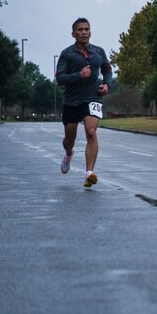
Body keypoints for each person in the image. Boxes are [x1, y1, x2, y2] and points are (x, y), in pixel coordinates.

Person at [55, 17, 113, 188]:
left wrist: (106, 84)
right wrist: (78, 75)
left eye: (86, 29)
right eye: (80, 30)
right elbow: (59, 78)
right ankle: (68, 153)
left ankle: (89, 173)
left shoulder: (98, 52)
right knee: (69, 138)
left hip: (93, 98)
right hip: (72, 101)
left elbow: (107, 70)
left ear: (90, 32)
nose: (84, 32)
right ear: (73, 34)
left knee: (91, 132)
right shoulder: (67, 54)